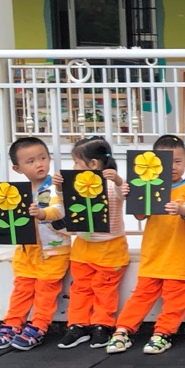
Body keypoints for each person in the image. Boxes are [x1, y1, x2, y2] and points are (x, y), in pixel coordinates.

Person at [105, 135, 185, 355]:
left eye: (178, 161)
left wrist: (181, 210)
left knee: (174, 301)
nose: (173, 167)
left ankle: (163, 333)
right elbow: (140, 214)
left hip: (181, 258)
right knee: (141, 295)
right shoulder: (149, 185)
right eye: (167, 162)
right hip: (154, 255)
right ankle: (122, 330)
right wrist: (131, 194)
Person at [0, 136, 69, 351]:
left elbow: (60, 210)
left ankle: (38, 326)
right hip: (25, 251)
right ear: (17, 168)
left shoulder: (56, 187)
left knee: (46, 291)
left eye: (42, 158)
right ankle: (12, 325)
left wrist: (41, 213)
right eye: (30, 161)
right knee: (22, 289)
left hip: (53, 251)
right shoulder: (14, 192)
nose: (39, 164)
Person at [56, 136, 129, 350]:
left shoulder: (111, 184)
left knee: (104, 289)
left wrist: (117, 180)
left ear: (93, 164)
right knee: (80, 288)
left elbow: (124, 194)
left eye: (76, 162)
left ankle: (102, 325)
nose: (73, 167)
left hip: (110, 248)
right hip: (82, 246)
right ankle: (77, 325)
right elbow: (65, 204)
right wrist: (60, 188)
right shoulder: (77, 184)